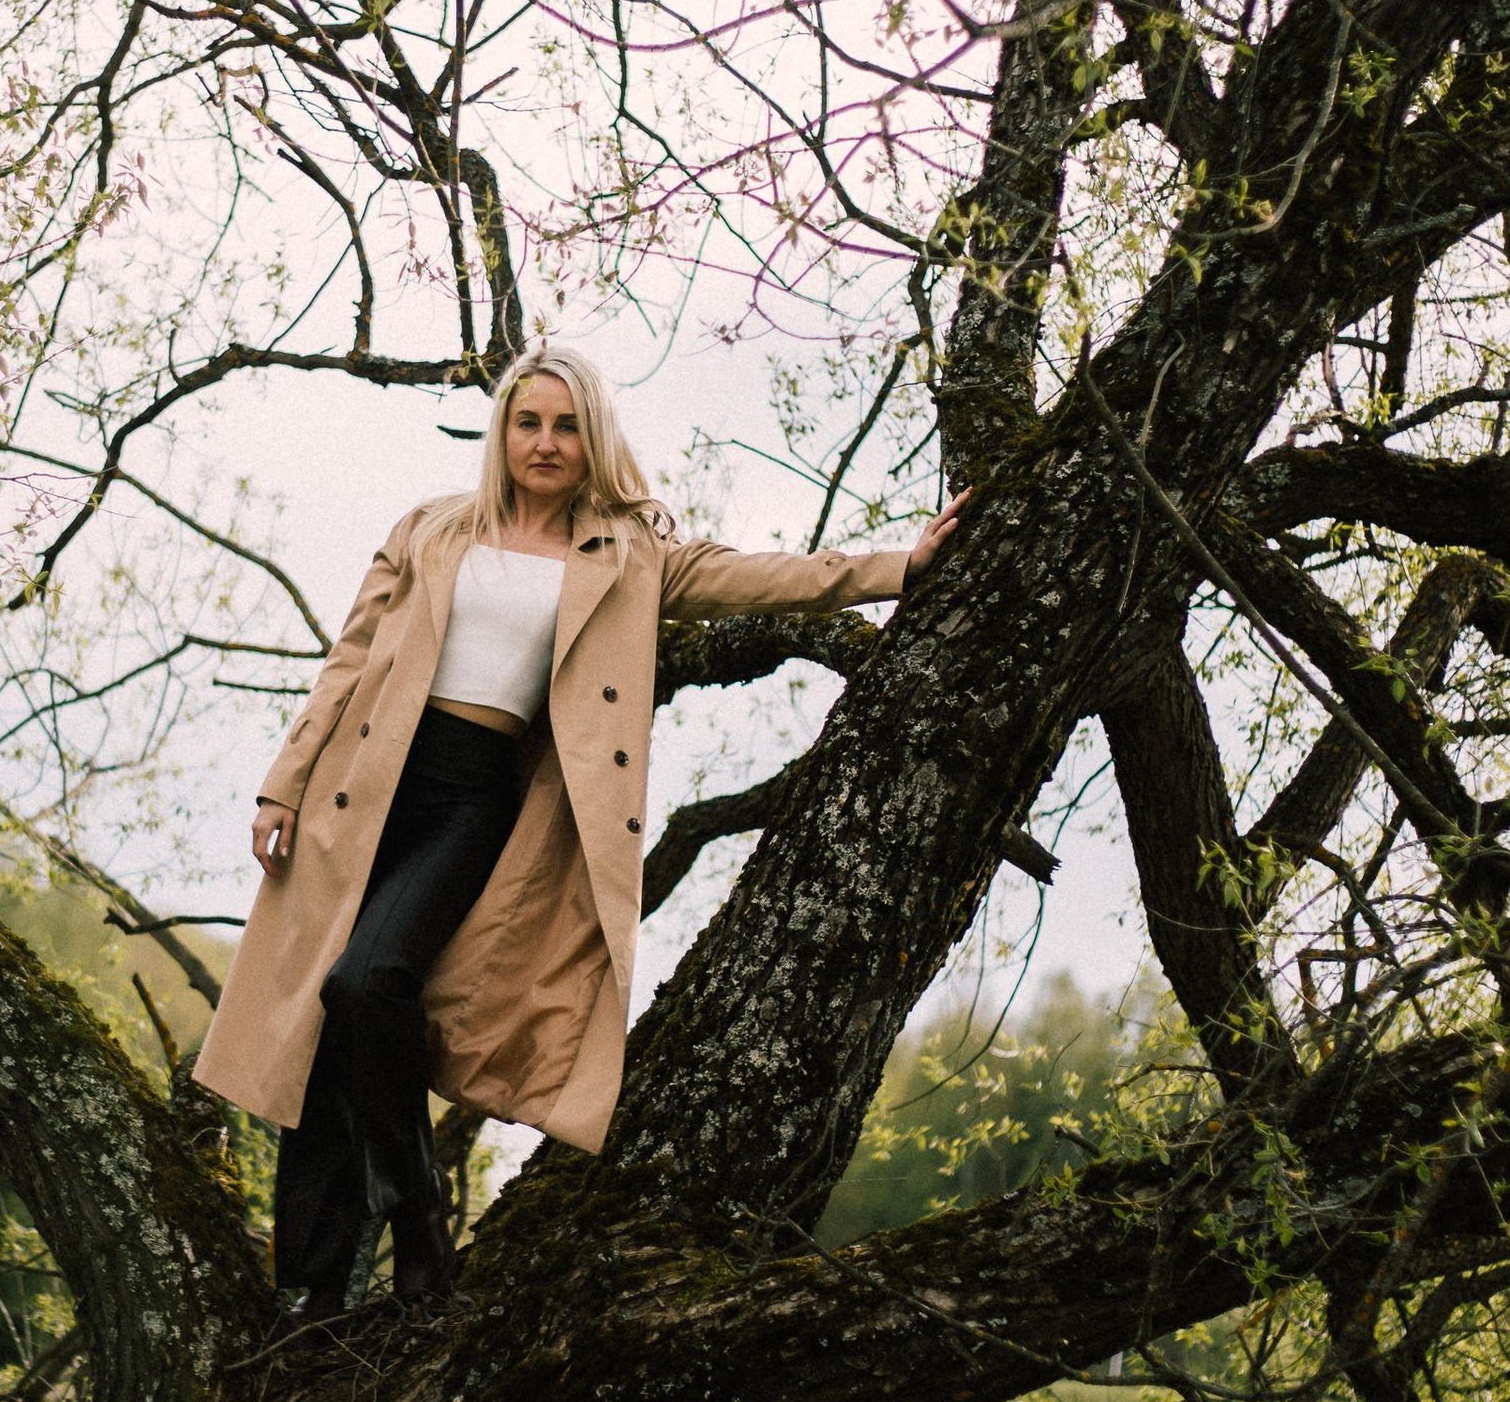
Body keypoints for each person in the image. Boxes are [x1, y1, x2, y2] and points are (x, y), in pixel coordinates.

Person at [192, 347, 964, 1328]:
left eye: (564, 426)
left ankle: (418, 1224)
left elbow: (753, 577)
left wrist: (897, 566)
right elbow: (347, 662)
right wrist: (281, 787)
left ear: (590, 438)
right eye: (528, 423)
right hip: (366, 785)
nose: (544, 443)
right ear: (502, 433)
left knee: (366, 985)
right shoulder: (431, 530)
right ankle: (313, 1287)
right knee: (320, 1031)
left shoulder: (625, 552)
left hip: (476, 798)